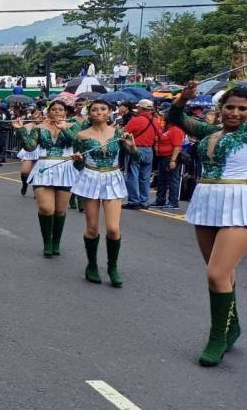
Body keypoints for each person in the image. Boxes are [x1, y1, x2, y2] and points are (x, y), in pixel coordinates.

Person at [167, 81, 247, 367]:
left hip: (239, 203)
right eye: (230, 107)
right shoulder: (208, 132)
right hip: (207, 204)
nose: (235, 113)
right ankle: (232, 327)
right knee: (222, 274)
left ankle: (217, 338)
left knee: (216, 274)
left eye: (242, 108)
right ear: (221, 108)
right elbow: (175, 118)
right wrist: (182, 99)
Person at [66, 100, 136, 286]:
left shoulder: (119, 133)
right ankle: (92, 265)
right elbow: (77, 165)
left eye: (103, 109)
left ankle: (112, 267)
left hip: (113, 178)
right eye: (94, 110)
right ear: (89, 114)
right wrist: (78, 159)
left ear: (110, 112)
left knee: (113, 229)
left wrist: (132, 147)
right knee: (92, 228)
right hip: (90, 177)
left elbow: (134, 156)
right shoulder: (81, 136)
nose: (99, 112)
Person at [13, 100, 79, 257]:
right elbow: (30, 147)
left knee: (60, 210)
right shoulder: (39, 128)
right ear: (48, 112)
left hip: (65, 169)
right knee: (46, 209)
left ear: (65, 112)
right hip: (44, 168)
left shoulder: (73, 126)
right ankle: (47, 242)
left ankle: (56, 242)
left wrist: (64, 129)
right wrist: (20, 130)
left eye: (60, 109)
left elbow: (77, 144)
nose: (57, 112)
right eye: (54, 109)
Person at [122, 99, 159, 210]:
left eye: (138, 107)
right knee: (145, 177)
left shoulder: (136, 120)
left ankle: (133, 201)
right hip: (149, 149)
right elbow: (158, 134)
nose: (137, 109)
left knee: (132, 175)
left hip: (136, 148)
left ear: (142, 108)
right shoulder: (155, 121)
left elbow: (125, 133)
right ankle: (144, 201)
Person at [149, 109, 185, 211]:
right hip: (162, 157)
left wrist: (173, 160)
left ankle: (173, 202)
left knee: (173, 180)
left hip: (170, 157)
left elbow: (177, 146)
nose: (163, 117)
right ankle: (160, 200)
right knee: (162, 180)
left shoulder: (176, 129)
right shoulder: (167, 128)